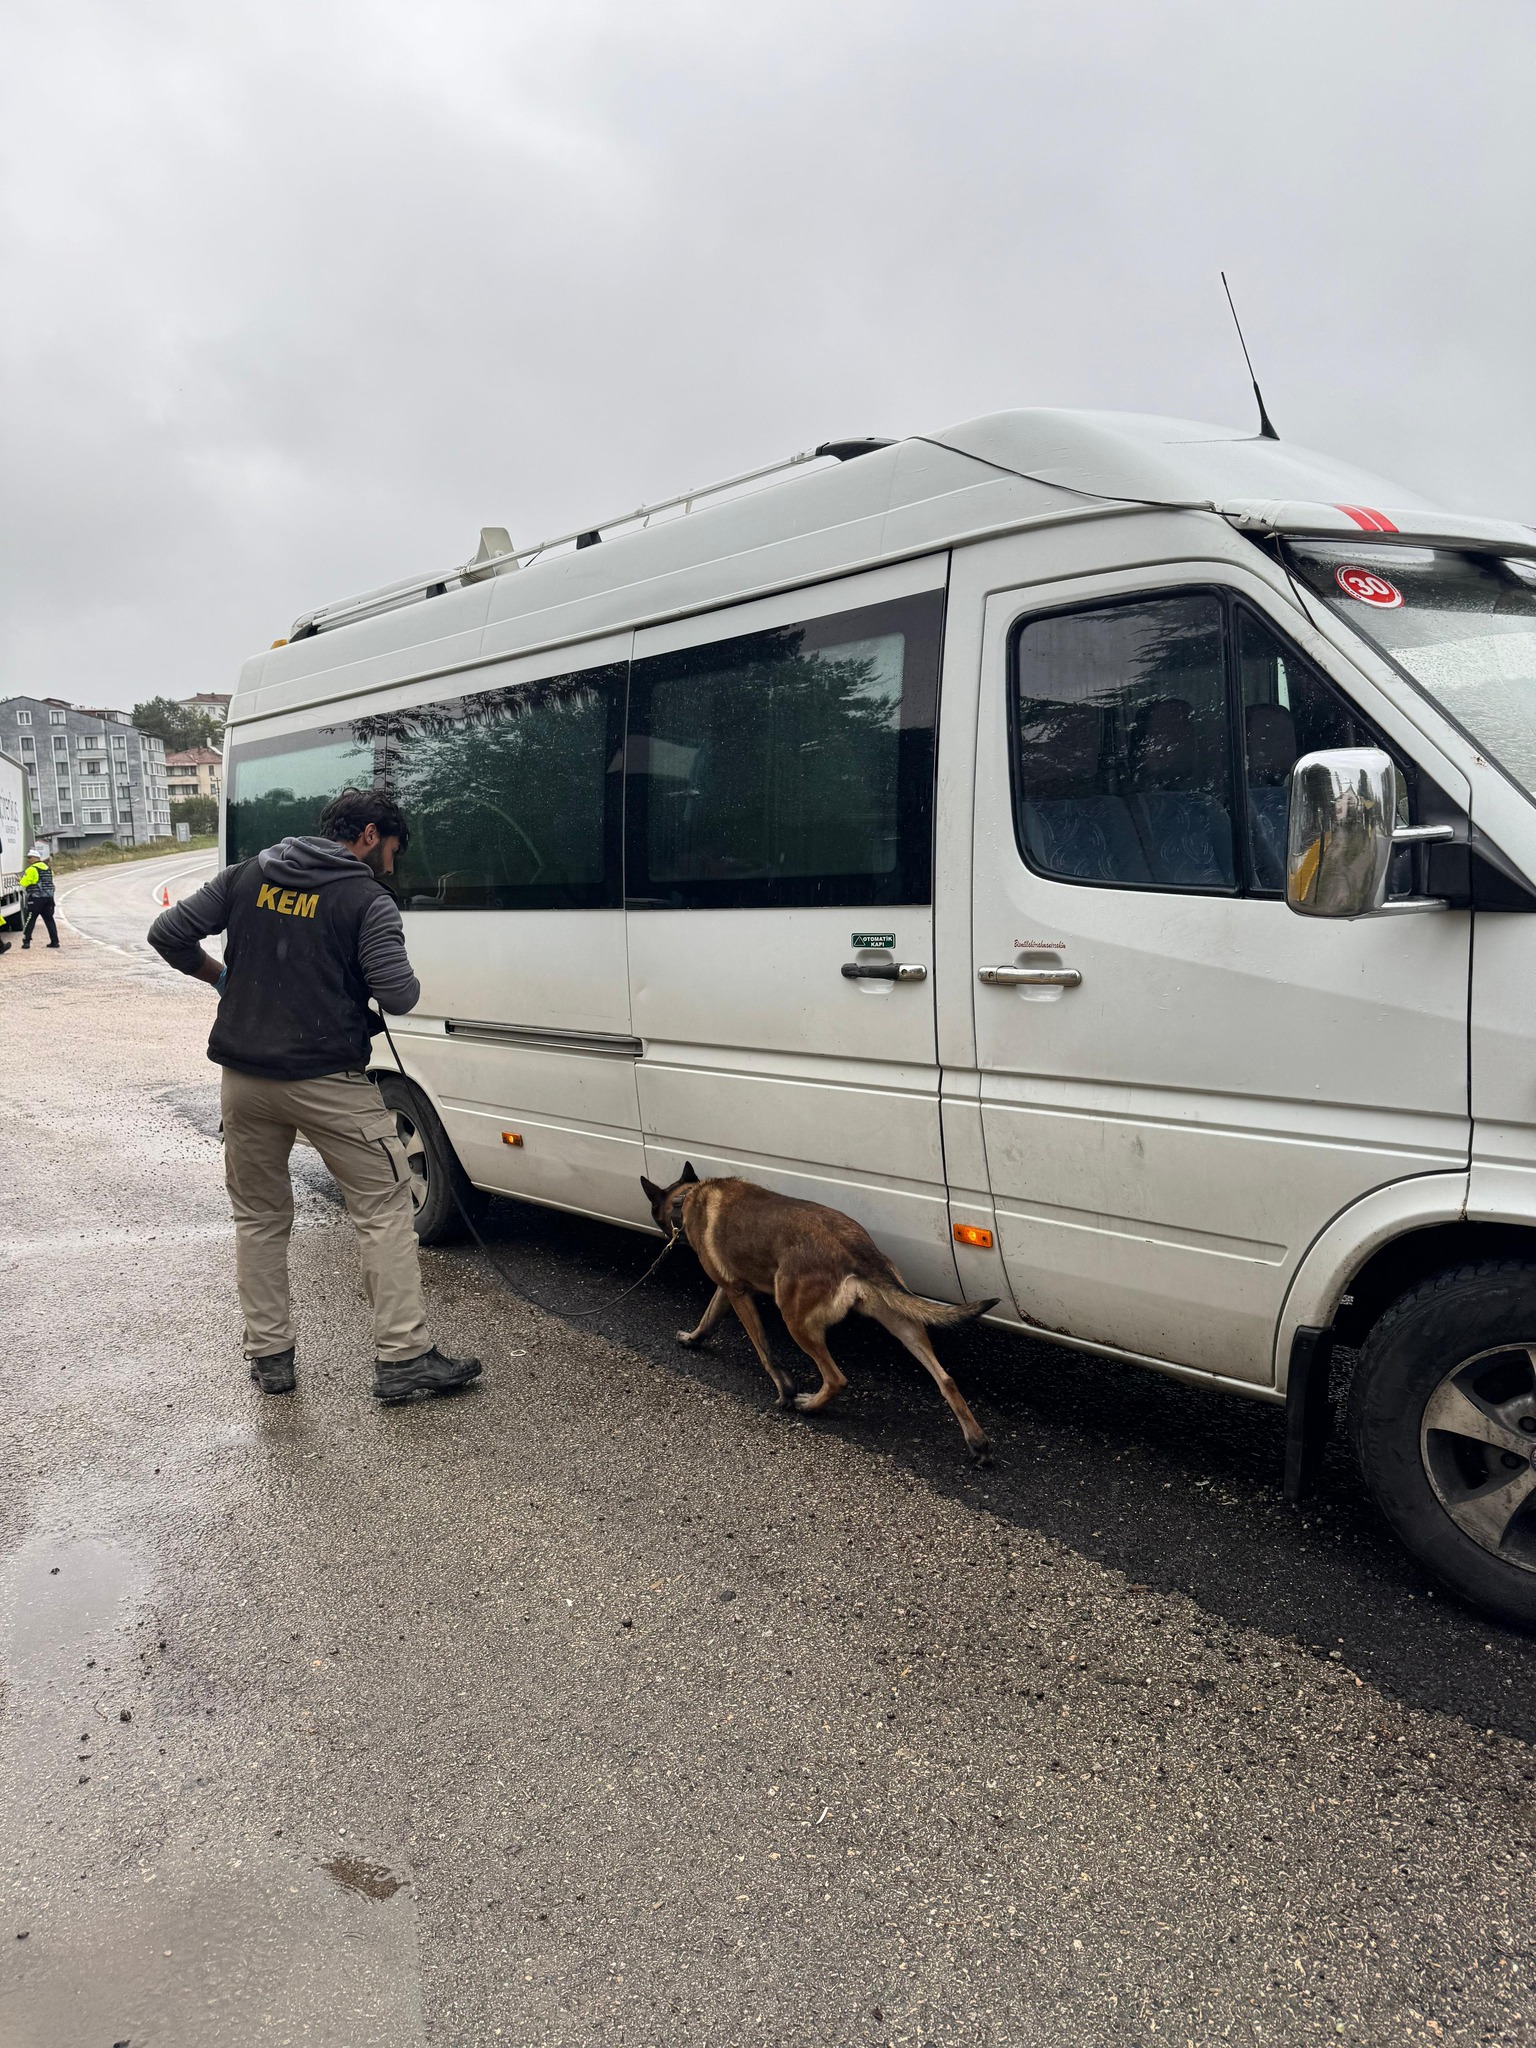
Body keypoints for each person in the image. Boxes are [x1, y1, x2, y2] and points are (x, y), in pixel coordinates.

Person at [147, 788, 482, 1404]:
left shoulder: (248, 875)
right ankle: (403, 1358)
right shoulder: (365, 899)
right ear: (370, 834)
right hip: (328, 1080)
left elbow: (167, 932)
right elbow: (398, 995)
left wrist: (223, 978)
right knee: (384, 1208)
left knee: (259, 1218)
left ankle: (270, 1358)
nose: (390, 861)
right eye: (391, 848)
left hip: (244, 1081)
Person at [19, 843, 59, 949]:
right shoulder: (48, 869)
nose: (28, 860)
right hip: (49, 898)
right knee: (49, 919)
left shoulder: (32, 869)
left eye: (29, 858)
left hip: (36, 899)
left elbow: (24, 883)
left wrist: (20, 880)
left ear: (35, 858)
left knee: (30, 919)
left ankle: (26, 942)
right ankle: (55, 941)